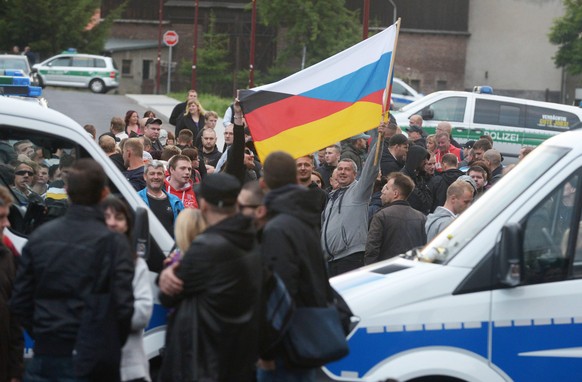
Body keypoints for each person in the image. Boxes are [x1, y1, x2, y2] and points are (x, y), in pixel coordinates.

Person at [11, 159, 135, 382]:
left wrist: (45, 335)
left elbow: (20, 301)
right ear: (104, 193)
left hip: (47, 354)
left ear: (67, 191)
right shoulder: (114, 244)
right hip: (92, 356)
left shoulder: (40, 237)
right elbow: (123, 307)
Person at [158, 173, 261, 381]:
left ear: (203, 205)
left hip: (206, 359)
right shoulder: (251, 237)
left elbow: (169, 295)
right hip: (239, 355)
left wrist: (168, 273)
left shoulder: (207, 246)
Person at [258, 152, 331, 382]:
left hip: (286, 348)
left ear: (263, 183)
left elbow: (281, 291)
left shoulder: (278, 227)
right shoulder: (303, 218)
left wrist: (267, 350)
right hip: (305, 337)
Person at [102, 197, 154, 382]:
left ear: (127, 224)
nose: (112, 222)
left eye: (118, 217)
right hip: (93, 364)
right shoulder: (84, 259)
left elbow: (142, 314)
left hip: (129, 367)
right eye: (106, 217)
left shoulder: (137, 264)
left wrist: (102, 314)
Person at [322, 129, 381, 275]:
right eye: (340, 169)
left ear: (355, 174)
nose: (342, 172)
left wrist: (380, 138)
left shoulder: (358, 192)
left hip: (349, 258)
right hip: (330, 260)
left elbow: (371, 168)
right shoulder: (332, 196)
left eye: (347, 170)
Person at [365, 172, 427, 264]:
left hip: (386, 271)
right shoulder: (421, 218)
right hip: (411, 271)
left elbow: (372, 249)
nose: (383, 191)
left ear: (395, 193)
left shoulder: (381, 215)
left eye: (386, 188)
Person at [0, 186, 24, 382]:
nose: (6, 223)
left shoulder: (7, 256)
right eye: (1, 217)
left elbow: (15, 318)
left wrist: (15, 371)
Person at [138, 161, 184, 236]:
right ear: (145, 176)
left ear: (164, 177)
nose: (156, 177)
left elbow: (183, 229)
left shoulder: (176, 201)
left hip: (171, 246)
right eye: (152, 174)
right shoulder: (137, 199)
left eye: (159, 174)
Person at [401, 145, 432, 215]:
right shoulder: (403, 178)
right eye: (424, 159)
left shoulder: (419, 177)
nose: (427, 162)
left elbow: (429, 201)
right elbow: (419, 202)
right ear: (416, 159)